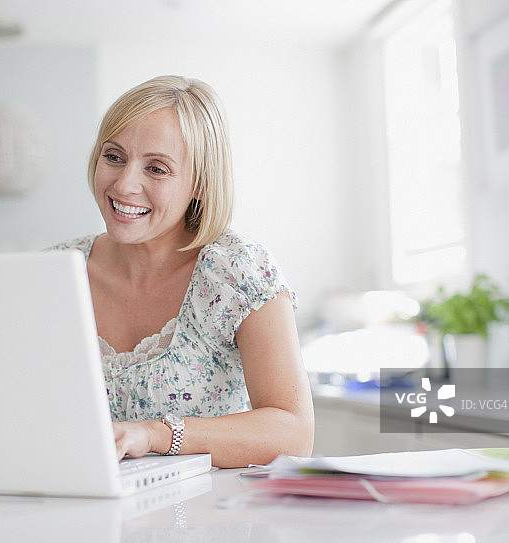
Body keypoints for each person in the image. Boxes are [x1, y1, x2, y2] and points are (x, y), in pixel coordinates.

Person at [51, 75, 314, 468]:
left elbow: (294, 434)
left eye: (156, 169)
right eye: (114, 157)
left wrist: (154, 434)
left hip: (210, 506)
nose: (124, 184)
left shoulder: (238, 273)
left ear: (200, 185)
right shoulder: (54, 272)